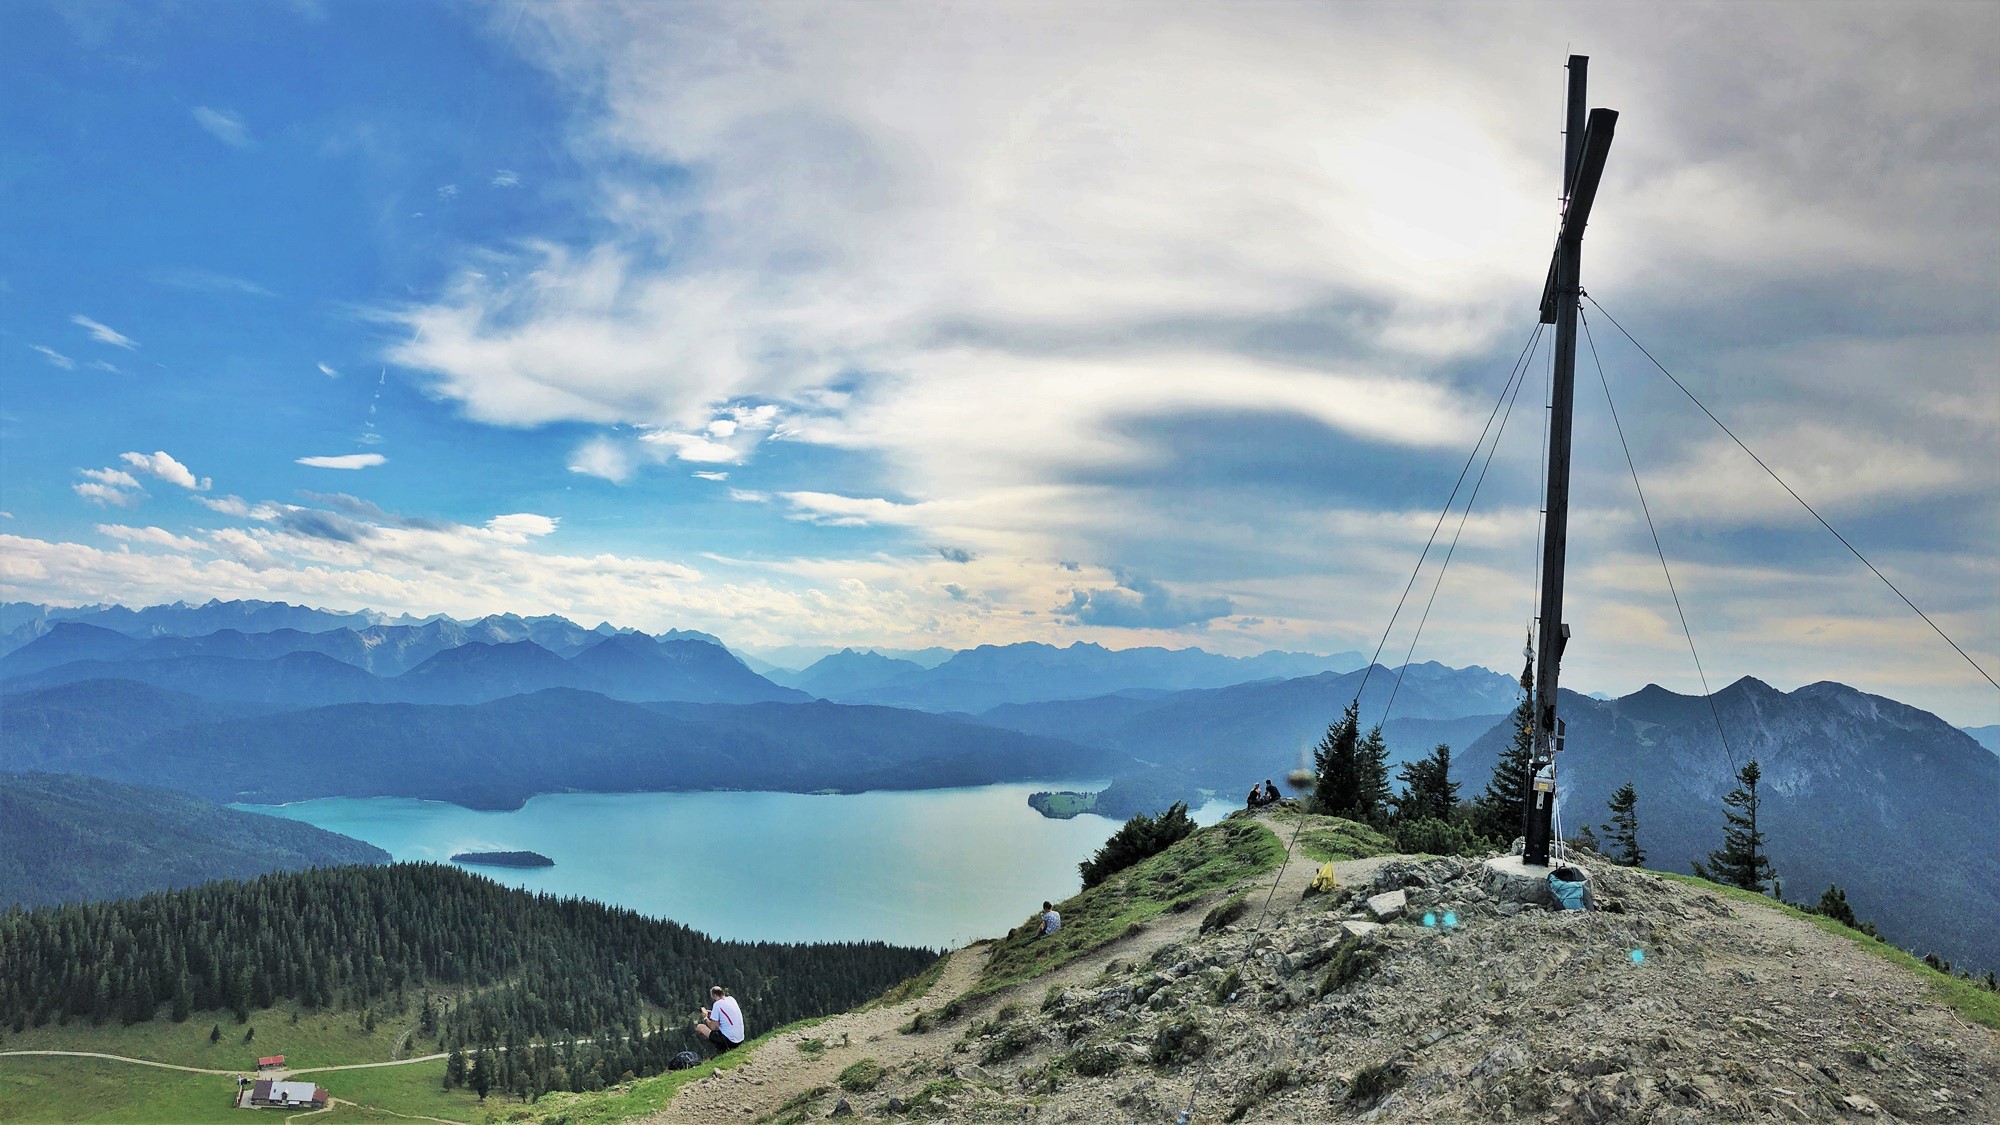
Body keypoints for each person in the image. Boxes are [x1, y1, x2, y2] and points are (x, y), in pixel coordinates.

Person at [695, 985, 745, 1053]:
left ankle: (713, 1050)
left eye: (712, 997)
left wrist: (705, 1017)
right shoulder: (731, 999)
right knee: (719, 1025)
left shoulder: (717, 1004)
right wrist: (712, 1013)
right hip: (740, 1039)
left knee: (700, 1027)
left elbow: (712, 1027)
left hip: (730, 1041)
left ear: (715, 995)